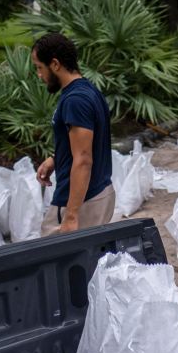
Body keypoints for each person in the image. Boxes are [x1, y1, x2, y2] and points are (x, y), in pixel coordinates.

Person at [32, 33, 113, 235]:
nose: (39, 75)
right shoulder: (87, 91)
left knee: (56, 262)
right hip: (96, 193)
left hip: (83, 201)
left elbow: (84, 159)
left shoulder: (75, 100)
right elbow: (85, 144)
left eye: (39, 67)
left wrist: (71, 215)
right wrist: (55, 159)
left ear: (55, 64)